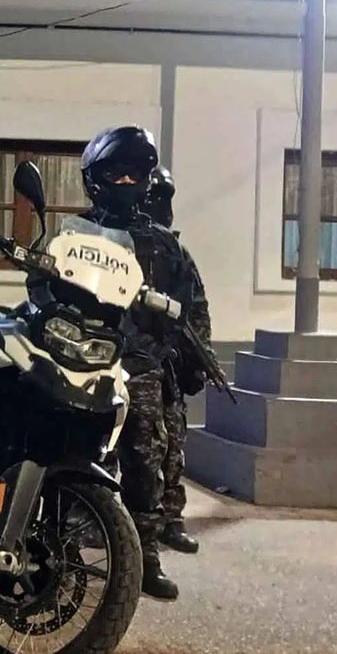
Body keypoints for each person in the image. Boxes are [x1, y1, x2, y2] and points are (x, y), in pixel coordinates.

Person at [76, 126, 212, 601]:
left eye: (134, 174)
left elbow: (189, 306)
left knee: (144, 459)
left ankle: (144, 557)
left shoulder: (165, 245)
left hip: (139, 366)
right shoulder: (76, 234)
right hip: (80, 355)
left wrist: (178, 355)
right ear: (96, 178)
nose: (125, 182)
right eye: (115, 173)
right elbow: (44, 284)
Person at [145, 165, 206, 555]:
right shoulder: (114, 242)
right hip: (124, 356)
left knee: (171, 442)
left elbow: (196, 307)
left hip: (166, 360)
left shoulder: (175, 253)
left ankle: (170, 519)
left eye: (162, 198)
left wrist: (198, 359)